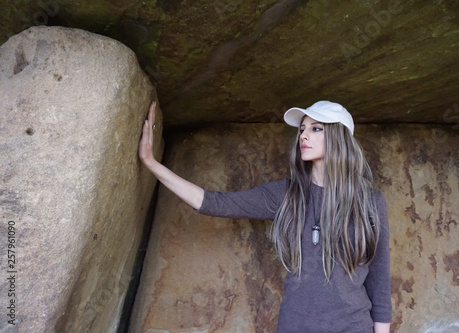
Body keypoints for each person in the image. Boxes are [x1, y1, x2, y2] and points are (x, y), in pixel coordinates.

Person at [139, 100, 392, 333]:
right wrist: (151, 163)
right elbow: (217, 202)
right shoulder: (286, 195)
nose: (303, 135)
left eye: (316, 129)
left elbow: (379, 283)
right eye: (302, 129)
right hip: (295, 326)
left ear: (338, 137)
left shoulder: (369, 202)